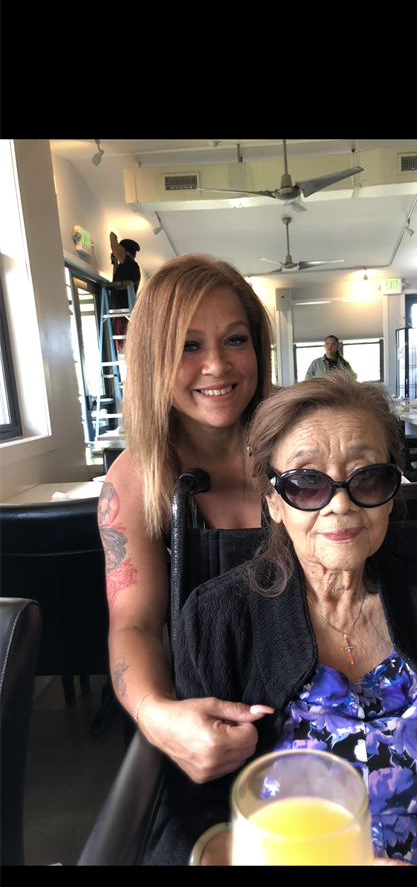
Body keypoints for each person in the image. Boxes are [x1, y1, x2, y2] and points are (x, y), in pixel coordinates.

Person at [146, 372, 417, 866]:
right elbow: (184, 810)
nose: (341, 504)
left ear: (392, 489)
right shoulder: (218, 619)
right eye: (306, 483)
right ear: (273, 500)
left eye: (368, 478)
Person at [98, 253, 275, 816]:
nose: (217, 365)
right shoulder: (136, 478)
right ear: (153, 360)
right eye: (188, 346)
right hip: (208, 733)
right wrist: (156, 715)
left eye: (235, 340)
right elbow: (134, 624)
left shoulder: (297, 447)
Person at [109, 234, 141, 351]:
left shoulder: (131, 265)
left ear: (126, 252)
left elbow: (117, 250)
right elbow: (115, 279)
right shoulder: (126, 267)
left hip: (123, 311)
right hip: (121, 310)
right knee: (121, 342)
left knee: (123, 342)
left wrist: (113, 239)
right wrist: (115, 263)